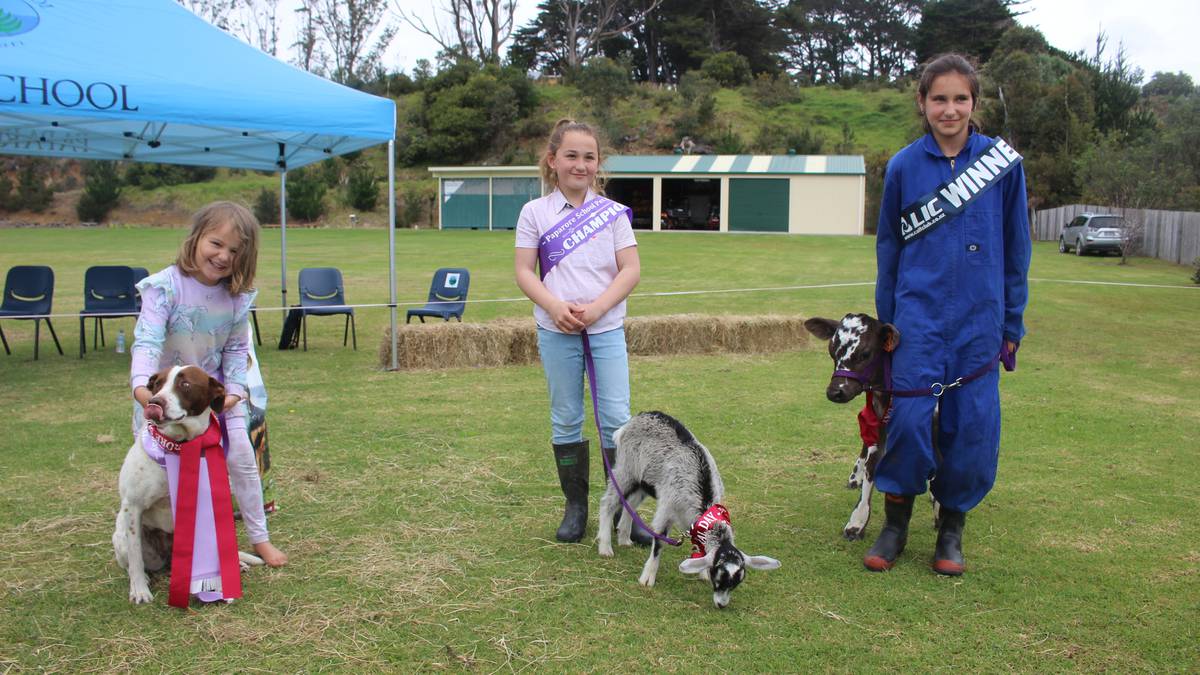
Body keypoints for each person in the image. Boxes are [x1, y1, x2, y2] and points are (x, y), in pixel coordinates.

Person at [869, 54, 1031, 575]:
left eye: (960, 98)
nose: (950, 109)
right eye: (939, 98)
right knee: (909, 420)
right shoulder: (902, 166)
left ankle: (952, 529)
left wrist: (1012, 323)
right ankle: (895, 524)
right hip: (916, 320)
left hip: (979, 321)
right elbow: (889, 249)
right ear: (922, 102)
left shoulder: (1002, 166)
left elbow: (1017, 246)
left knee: (972, 426)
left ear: (974, 104)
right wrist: (886, 322)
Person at [131, 201, 287, 568]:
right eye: (216, 243)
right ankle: (166, 543)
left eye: (235, 251)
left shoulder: (236, 299)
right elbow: (147, 343)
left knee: (242, 460)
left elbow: (236, 351)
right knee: (162, 473)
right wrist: (142, 389)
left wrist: (234, 392)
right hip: (165, 401)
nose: (223, 256)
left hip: (216, 400)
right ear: (196, 237)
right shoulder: (164, 288)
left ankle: (259, 538)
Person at [514, 119, 648, 544]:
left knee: (617, 420)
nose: (581, 164)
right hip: (555, 331)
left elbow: (631, 270)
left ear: (598, 164)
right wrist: (554, 306)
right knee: (567, 418)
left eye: (589, 157)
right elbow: (523, 271)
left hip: (605, 328)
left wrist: (596, 309)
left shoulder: (611, 214)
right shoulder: (533, 213)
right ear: (552, 161)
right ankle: (576, 508)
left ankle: (626, 511)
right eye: (571, 155)